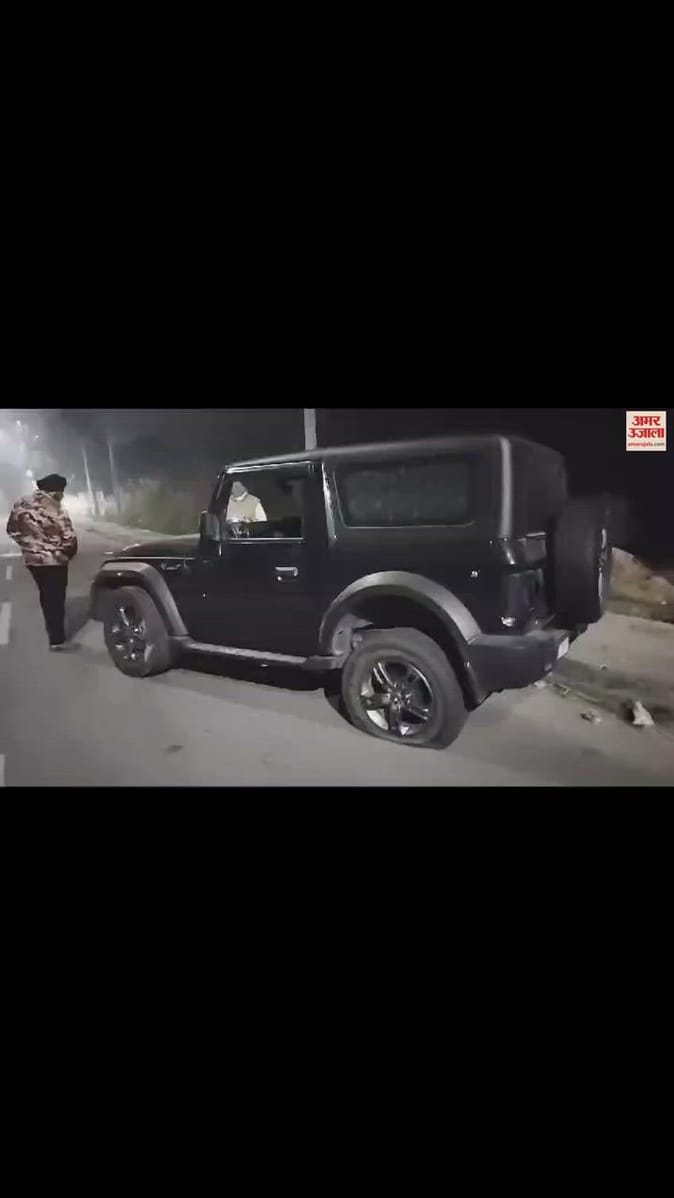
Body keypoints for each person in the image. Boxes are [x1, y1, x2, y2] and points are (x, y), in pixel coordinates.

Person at [6, 473, 78, 650]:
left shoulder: (21, 504)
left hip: (33, 561)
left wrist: (30, 546)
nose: (62, 495)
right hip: (55, 561)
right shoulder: (57, 510)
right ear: (55, 491)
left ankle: (52, 631)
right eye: (61, 492)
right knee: (56, 598)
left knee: (46, 594)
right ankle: (56, 639)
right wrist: (65, 553)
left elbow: (12, 530)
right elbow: (69, 539)